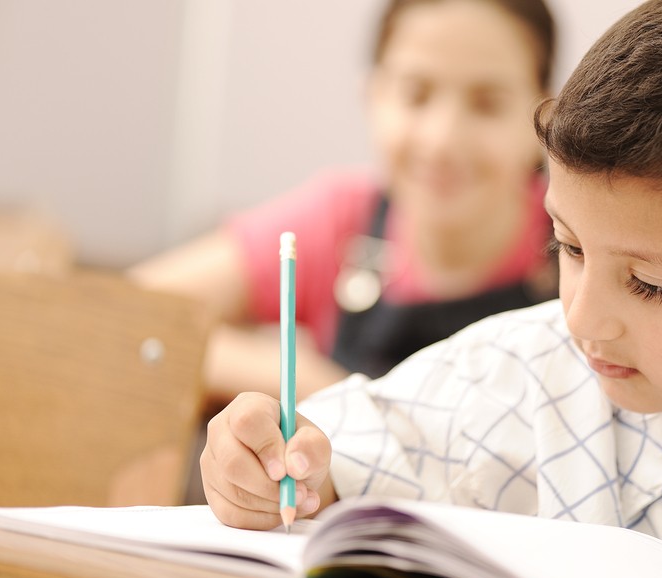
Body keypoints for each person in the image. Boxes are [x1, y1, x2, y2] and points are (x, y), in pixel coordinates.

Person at [199, 0, 662, 578]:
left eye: (650, 284)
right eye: (567, 247)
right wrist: (264, 465)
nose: (582, 318)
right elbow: (332, 455)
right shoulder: (516, 374)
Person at [129, 0, 558, 404]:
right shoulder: (341, 222)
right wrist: (303, 380)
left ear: (544, 112)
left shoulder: (579, 241)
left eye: (487, 105)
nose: (442, 139)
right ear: (372, 96)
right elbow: (124, 315)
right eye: (416, 94)